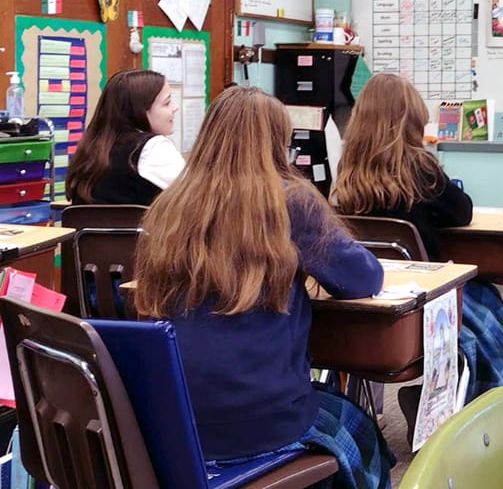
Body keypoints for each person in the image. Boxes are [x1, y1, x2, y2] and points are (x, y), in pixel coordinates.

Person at [133, 86, 393, 489]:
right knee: (361, 433)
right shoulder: (289, 202)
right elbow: (364, 278)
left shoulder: (170, 205)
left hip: (175, 423)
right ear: (279, 143)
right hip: (261, 420)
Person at [333, 74, 503, 405]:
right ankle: (466, 406)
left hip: (369, 304)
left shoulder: (348, 174)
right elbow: (461, 212)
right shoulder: (420, 169)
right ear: (410, 122)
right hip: (428, 301)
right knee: (486, 295)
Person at [65, 68, 184, 205]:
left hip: (87, 226)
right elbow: (196, 198)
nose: (175, 108)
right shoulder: (153, 148)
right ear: (140, 110)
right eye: (167, 103)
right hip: (142, 226)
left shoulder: (90, 148)